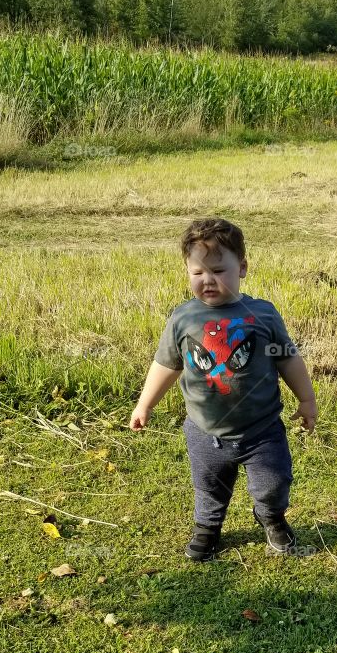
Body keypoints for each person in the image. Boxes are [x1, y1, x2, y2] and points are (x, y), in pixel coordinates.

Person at [129, 217, 317, 562]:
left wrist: (306, 399)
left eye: (218, 270)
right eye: (197, 273)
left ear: (242, 268)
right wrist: (145, 405)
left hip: (262, 429)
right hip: (205, 432)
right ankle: (208, 527)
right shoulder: (182, 318)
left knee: (274, 482)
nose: (208, 281)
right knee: (210, 488)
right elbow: (166, 365)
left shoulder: (263, 314)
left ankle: (271, 516)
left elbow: (287, 359)